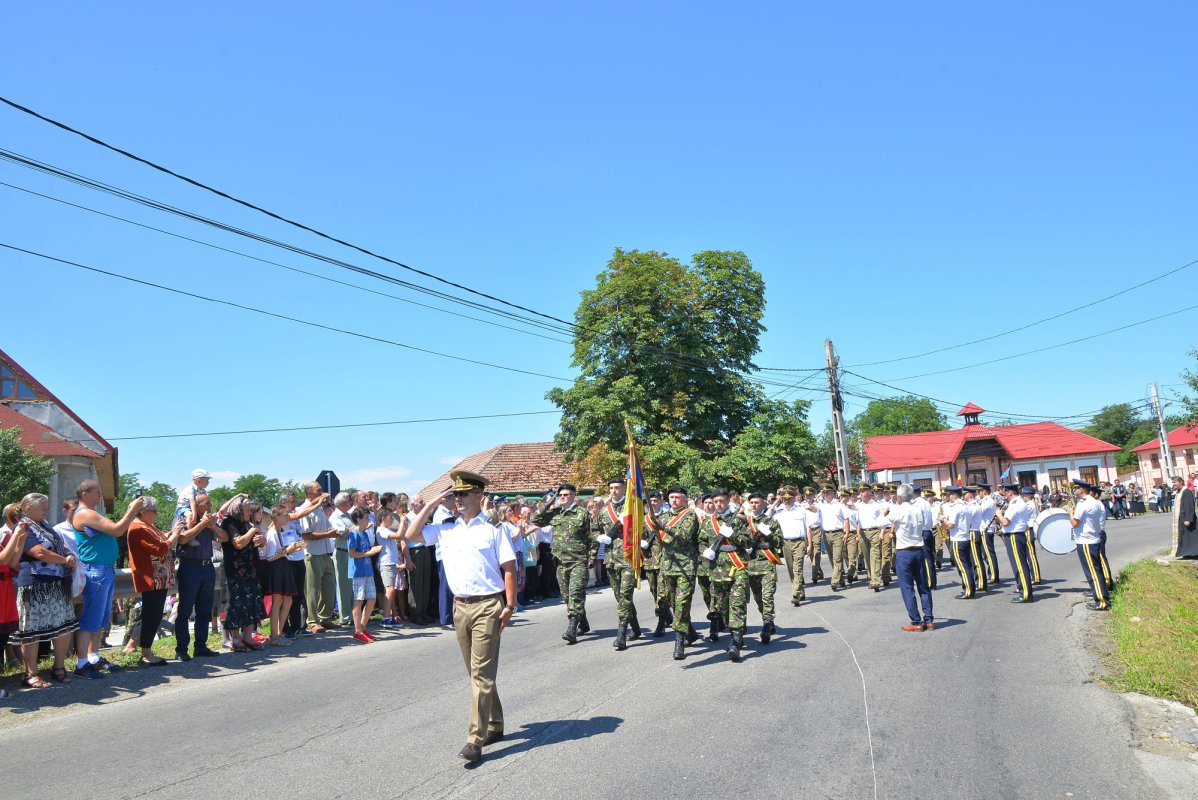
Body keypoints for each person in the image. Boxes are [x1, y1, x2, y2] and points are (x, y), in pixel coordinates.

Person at [402, 470, 517, 763]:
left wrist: (510, 604)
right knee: (477, 672)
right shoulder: (446, 528)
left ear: (480, 496)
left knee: (480, 673)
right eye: (455, 495)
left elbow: (509, 568)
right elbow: (411, 534)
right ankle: (496, 723)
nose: (458, 499)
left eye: (463, 494)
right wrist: (431, 503)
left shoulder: (495, 528)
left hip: (488, 605)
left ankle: (474, 740)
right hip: (460, 606)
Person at [69, 480, 143, 678]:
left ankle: (93, 658)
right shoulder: (85, 513)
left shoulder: (93, 513)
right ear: (84, 494)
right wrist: (133, 509)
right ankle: (82, 663)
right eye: (97, 492)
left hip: (104, 570)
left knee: (100, 620)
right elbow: (118, 529)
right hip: (95, 570)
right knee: (90, 620)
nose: (100, 495)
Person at [13, 494, 78, 688]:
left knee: (63, 625)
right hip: (34, 584)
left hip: (55, 583)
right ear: (27, 508)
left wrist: (68, 555)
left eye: (46, 507)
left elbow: (60, 545)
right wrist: (64, 560)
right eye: (42, 507)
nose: (46, 510)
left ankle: (58, 667)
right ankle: (30, 673)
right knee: (32, 630)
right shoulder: (23, 526)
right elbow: (38, 552)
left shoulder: (46, 525)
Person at [532, 483, 596, 645]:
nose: (563, 497)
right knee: (567, 596)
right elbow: (535, 520)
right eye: (560, 495)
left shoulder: (582, 514)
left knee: (575, 593)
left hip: (578, 561)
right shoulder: (555, 513)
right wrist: (548, 503)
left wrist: (592, 558)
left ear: (574, 496)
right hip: (559, 561)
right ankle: (583, 622)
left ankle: (572, 628)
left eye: (566, 495)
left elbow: (592, 537)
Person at [647, 485, 700, 660]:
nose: (674, 500)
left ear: (685, 499)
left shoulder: (690, 515)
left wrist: (663, 527)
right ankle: (691, 632)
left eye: (678, 497)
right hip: (667, 566)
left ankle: (679, 642)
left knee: (682, 603)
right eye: (671, 498)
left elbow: (684, 535)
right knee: (672, 603)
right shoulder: (662, 516)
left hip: (685, 567)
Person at [126, 496, 177, 665]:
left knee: (151, 614)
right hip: (151, 577)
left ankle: (133, 647)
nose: (156, 514)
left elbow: (161, 541)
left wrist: (170, 535)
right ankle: (146, 653)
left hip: (159, 578)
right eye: (153, 511)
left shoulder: (148, 526)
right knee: (151, 615)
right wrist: (173, 536)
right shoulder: (138, 528)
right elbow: (160, 548)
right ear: (143, 512)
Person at [172, 493, 223, 660]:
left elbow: (224, 538)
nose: (210, 505)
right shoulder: (183, 517)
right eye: (206, 503)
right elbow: (183, 539)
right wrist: (202, 524)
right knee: (185, 610)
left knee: (204, 610)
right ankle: (181, 649)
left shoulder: (210, 520)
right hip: (189, 567)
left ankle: (200, 646)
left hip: (207, 567)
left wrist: (213, 526)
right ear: (198, 505)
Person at [219, 495, 265, 651]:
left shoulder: (247, 523)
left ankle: (248, 637)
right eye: (246, 509)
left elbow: (256, 542)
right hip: (236, 570)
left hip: (252, 568)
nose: (248, 512)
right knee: (238, 604)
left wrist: (261, 540)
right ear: (238, 509)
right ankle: (236, 639)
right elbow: (238, 543)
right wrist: (252, 531)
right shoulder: (229, 522)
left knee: (252, 601)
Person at [888, 484, 934, 631]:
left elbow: (882, 522)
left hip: (904, 551)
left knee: (907, 588)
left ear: (900, 498)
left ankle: (916, 621)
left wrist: (884, 512)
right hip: (918, 549)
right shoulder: (918, 509)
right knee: (923, 586)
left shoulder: (898, 510)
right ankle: (929, 618)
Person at [261, 505, 306, 647]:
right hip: (276, 568)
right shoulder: (272, 532)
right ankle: (274, 636)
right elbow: (270, 557)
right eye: (285, 515)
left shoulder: (282, 530)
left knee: (288, 600)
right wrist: (288, 550)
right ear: (276, 517)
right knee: (277, 602)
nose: (287, 517)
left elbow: (285, 550)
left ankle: (279, 633)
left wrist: (296, 547)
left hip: (284, 566)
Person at [742, 492, 783, 645]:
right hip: (750, 565)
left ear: (764, 504)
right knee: (758, 598)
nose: (754, 505)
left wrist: (769, 535)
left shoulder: (771, 521)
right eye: (752, 502)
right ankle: (769, 620)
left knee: (767, 596)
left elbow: (779, 543)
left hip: (766, 563)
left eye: (757, 502)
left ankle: (766, 624)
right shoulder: (744, 522)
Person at [299, 482, 338, 631]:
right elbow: (305, 535)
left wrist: (332, 531)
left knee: (329, 587)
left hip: (326, 552)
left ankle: (325, 618)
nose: (323, 492)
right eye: (319, 490)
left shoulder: (320, 509)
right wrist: (328, 534)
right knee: (313, 589)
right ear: (309, 493)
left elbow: (326, 527)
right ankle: (312, 621)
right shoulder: (304, 510)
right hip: (312, 553)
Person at [1070, 480, 1110, 610]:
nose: (1075, 491)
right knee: (1096, 571)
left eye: (1076, 488)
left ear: (1081, 490)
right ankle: (1101, 598)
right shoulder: (1095, 502)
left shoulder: (1083, 504)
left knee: (1092, 573)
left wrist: (1070, 514)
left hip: (1086, 541)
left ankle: (1102, 601)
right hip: (1093, 539)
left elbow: (1075, 523)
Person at [0, 505, 27, 693]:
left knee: (2, 638)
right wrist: (15, 533)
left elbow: (12, 564)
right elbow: (2, 560)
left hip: (5, 590)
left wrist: (20, 541)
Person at [994, 486, 1035, 603]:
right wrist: (999, 518)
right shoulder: (1020, 502)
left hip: (1014, 536)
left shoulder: (1015, 503)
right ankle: (1024, 590)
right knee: (1019, 565)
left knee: (1019, 566)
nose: (1005, 494)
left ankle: (1026, 594)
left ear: (1010, 492)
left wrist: (999, 514)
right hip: (1017, 535)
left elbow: (1006, 522)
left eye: (1006, 492)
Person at [347, 507, 381, 643]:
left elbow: (367, 549)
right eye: (366, 518)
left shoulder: (365, 533)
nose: (368, 520)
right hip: (358, 571)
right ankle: (357, 630)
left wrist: (371, 551)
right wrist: (370, 553)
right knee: (359, 600)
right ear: (358, 519)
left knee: (371, 599)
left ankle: (363, 626)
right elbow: (352, 553)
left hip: (368, 570)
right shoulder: (353, 534)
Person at [771, 485, 809, 607]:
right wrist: (776, 501)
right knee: (791, 570)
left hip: (799, 542)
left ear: (794, 498)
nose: (787, 501)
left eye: (789, 498)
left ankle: (795, 594)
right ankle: (800, 590)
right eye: (785, 498)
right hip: (785, 543)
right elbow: (766, 516)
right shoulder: (778, 511)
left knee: (797, 569)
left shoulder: (801, 510)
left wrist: (810, 545)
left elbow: (807, 528)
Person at [943, 486, 975, 599]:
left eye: (950, 495)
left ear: (954, 495)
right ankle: (969, 588)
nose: (949, 497)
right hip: (965, 537)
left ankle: (968, 590)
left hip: (957, 539)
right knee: (967, 565)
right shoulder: (966, 506)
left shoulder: (955, 508)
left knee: (962, 566)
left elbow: (951, 525)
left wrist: (943, 519)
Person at [1171, 475, 1197, 558]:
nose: (1173, 484)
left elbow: (1189, 506)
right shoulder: (1179, 492)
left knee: (1190, 537)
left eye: (1175, 482)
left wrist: (1188, 519)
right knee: (1184, 537)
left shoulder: (1187, 492)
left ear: (1181, 482)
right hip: (1182, 518)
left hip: (1187, 519)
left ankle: (1192, 553)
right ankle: (1186, 553)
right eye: (1173, 483)